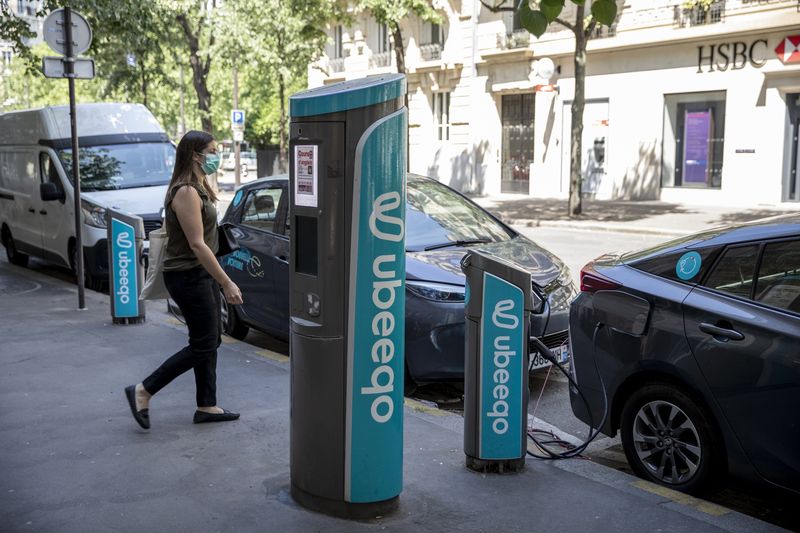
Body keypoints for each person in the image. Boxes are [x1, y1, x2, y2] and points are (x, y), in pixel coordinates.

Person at [125, 130, 243, 429]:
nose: (217, 156)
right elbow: (196, 244)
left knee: (209, 339)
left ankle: (207, 405)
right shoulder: (186, 191)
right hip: (188, 275)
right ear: (195, 154)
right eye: (213, 151)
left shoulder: (198, 186)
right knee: (204, 343)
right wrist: (226, 282)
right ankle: (144, 390)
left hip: (198, 274)